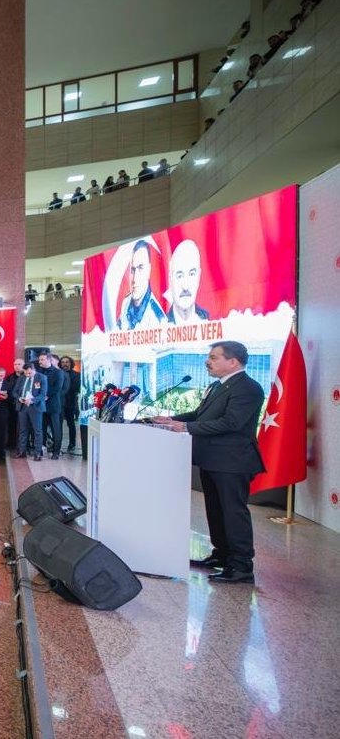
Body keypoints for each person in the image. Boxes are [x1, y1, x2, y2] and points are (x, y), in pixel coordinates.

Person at [153, 342, 265, 584]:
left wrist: (185, 427)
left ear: (233, 361)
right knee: (215, 510)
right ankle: (222, 554)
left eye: (214, 357)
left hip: (232, 461)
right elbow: (200, 415)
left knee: (233, 512)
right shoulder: (217, 386)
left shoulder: (247, 388)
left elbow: (231, 423)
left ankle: (242, 565)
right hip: (212, 459)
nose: (208, 361)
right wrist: (171, 419)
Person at [117, 239, 166, 330]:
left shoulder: (158, 320)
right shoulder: (125, 303)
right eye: (132, 270)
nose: (135, 278)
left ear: (148, 270)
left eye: (140, 268)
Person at [166, 239, 210, 323]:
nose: (185, 286)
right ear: (170, 280)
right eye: (180, 276)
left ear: (198, 277)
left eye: (191, 274)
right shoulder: (162, 324)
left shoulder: (209, 320)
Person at [12, 363, 47, 462]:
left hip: (35, 407)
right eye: (26, 373)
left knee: (37, 431)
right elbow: (14, 392)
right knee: (23, 430)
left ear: (33, 370)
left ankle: (37, 453)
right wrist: (19, 398)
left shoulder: (42, 378)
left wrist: (32, 400)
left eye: (30, 373)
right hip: (22, 406)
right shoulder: (22, 378)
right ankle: (22, 451)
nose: (28, 374)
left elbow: (43, 394)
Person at [37, 352, 67, 459]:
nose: (40, 361)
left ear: (49, 360)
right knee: (42, 429)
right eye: (39, 360)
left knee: (55, 429)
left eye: (42, 359)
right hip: (41, 404)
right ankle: (41, 449)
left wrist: (45, 394)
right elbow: (36, 386)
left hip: (53, 405)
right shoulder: (38, 372)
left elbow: (58, 388)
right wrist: (40, 396)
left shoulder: (58, 373)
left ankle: (56, 452)